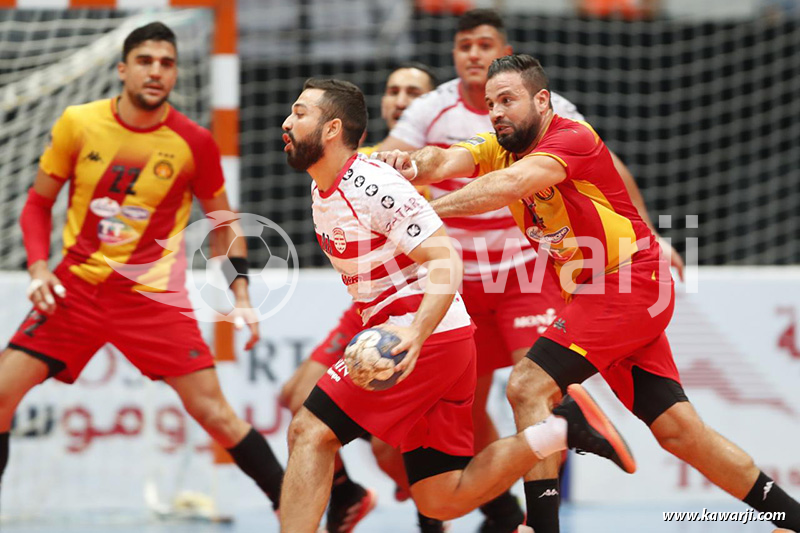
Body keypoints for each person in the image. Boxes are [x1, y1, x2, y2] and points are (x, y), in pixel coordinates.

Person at [375, 53, 800, 533]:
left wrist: (423, 214)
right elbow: (444, 158)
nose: (496, 112)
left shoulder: (570, 138)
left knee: (527, 385)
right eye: (491, 103)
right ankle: (790, 517)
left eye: (508, 100)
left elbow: (508, 186)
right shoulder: (499, 145)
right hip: (601, 293)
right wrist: (408, 166)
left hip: (627, 283)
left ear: (542, 100)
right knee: (679, 432)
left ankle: (541, 527)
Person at [278, 77, 636, 533]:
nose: (287, 122)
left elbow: (446, 259)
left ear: (331, 129)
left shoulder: (370, 184)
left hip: (421, 335)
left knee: (309, 430)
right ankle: (561, 429)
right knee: (441, 497)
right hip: (441, 338)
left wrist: (415, 333)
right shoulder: (323, 188)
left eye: (299, 113)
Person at [378, 9, 684, 532]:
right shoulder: (437, 107)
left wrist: (652, 231)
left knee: (532, 387)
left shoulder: (552, 117)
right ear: (454, 55)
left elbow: (598, 168)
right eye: (464, 46)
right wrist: (362, 174)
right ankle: (506, 511)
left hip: (522, 274)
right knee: (463, 406)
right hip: (458, 280)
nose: (473, 54)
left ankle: (542, 506)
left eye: (484, 45)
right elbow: (421, 157)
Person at [0, 22, 284, 520]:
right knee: (2, 395)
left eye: (166, 63)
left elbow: (225, 226)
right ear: (122, 68)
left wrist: (241, 294)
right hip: (76, 290)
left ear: (175, 74)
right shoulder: (78, 122)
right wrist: (39, 267)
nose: (156, 71)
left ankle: (296, 511)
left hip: (150, 299)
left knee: (216, 415)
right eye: (146, 61)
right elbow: (37, 204)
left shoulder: (194, 141)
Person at [277, 63, 439, 533]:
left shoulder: (437, 157)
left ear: (432, 105)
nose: (401, 99)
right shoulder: (351, 159)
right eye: (394, 89)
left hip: (425, 299)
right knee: (296, 399)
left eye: (414, 92)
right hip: (369, 304)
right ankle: (347, 492)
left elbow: (447, 248)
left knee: (394, 443)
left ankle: (481, 511)